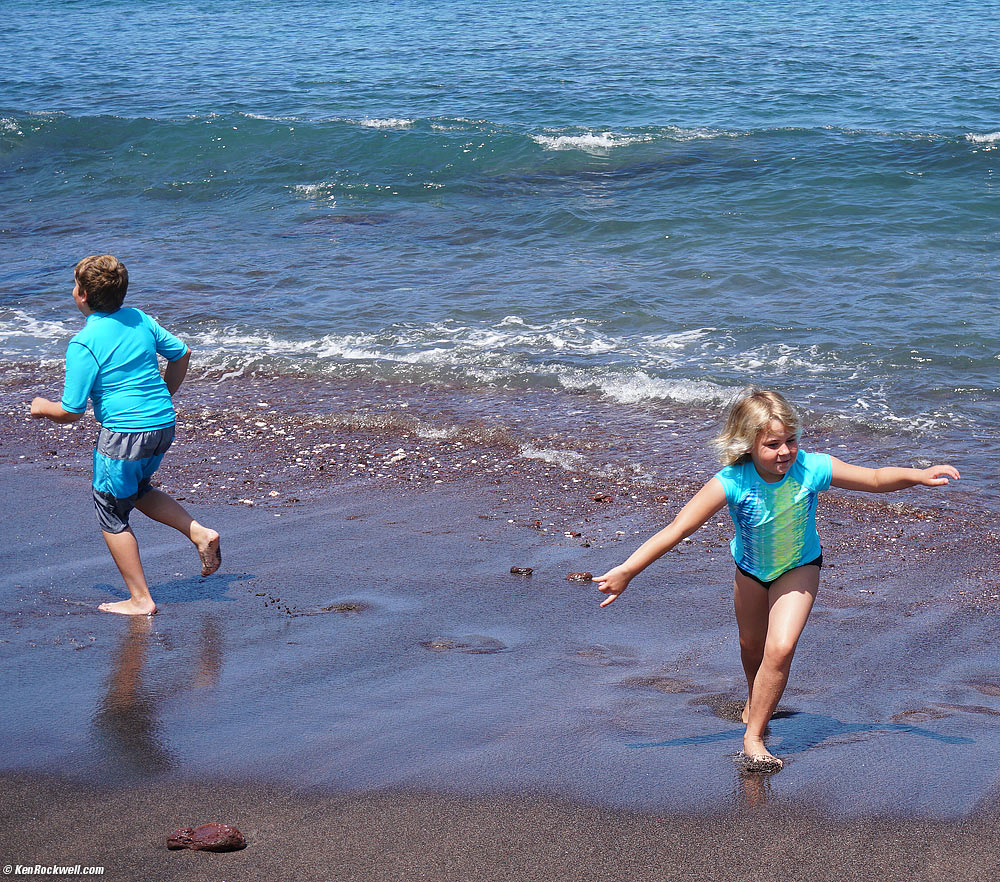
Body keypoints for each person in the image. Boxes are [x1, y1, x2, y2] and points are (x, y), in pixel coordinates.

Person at [594, 388, 959, 771]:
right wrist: (628, 570)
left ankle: (754, 736)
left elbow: (875, 478)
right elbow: (678, 529)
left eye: (791, 440)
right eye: (772, 444)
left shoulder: (812, 467)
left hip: (799, 567)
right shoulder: (731, 481)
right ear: (746, 444)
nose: (785, 451)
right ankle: (756, 697)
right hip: (751, 570)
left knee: (780, 648)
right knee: (751, 647)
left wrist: (917, 475)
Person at [30, 255, 220, 615]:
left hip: (123, 436)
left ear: (82, 294)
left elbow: (71, 411)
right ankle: (199, 533)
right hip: (163, 424)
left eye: (74, 285)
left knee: (111, 511)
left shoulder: (84, 342)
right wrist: (164, 393)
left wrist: (40, 406)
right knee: (137, 490)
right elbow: (182, 354)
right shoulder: (138, 318)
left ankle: (140, 599)